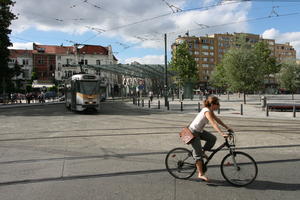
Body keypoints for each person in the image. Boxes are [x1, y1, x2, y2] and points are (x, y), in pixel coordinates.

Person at [188, 96, 233, 182]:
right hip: (193, 132)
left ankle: (202, 153)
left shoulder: (210, 110)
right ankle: (200, 173)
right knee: (198, 155)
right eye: (217, 104)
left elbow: (217, 120)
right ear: (212, 104)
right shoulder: (207, 111)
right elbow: (213, 123)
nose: (219, 106)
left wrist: (227, 128)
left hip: (199, 131)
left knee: (212, 139)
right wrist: (222, 133)